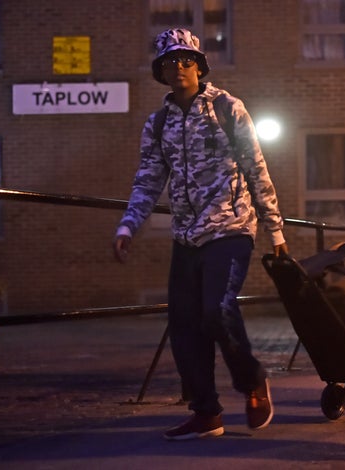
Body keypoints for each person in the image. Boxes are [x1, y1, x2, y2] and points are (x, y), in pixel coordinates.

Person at [113, 28, 288, 440]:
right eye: (170, 62)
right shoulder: (158, 124)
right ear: (161, 71)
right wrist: (127, 225)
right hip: (186, 236)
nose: (179, 68)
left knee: (217, 309)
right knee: (185, 323)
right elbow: (148, 179)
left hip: (230, 228)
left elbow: (256, 168)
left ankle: (252, 381)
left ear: (200, 65)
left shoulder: (228, 108)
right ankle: (207, 413)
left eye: (186, 60)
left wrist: (276, 229)